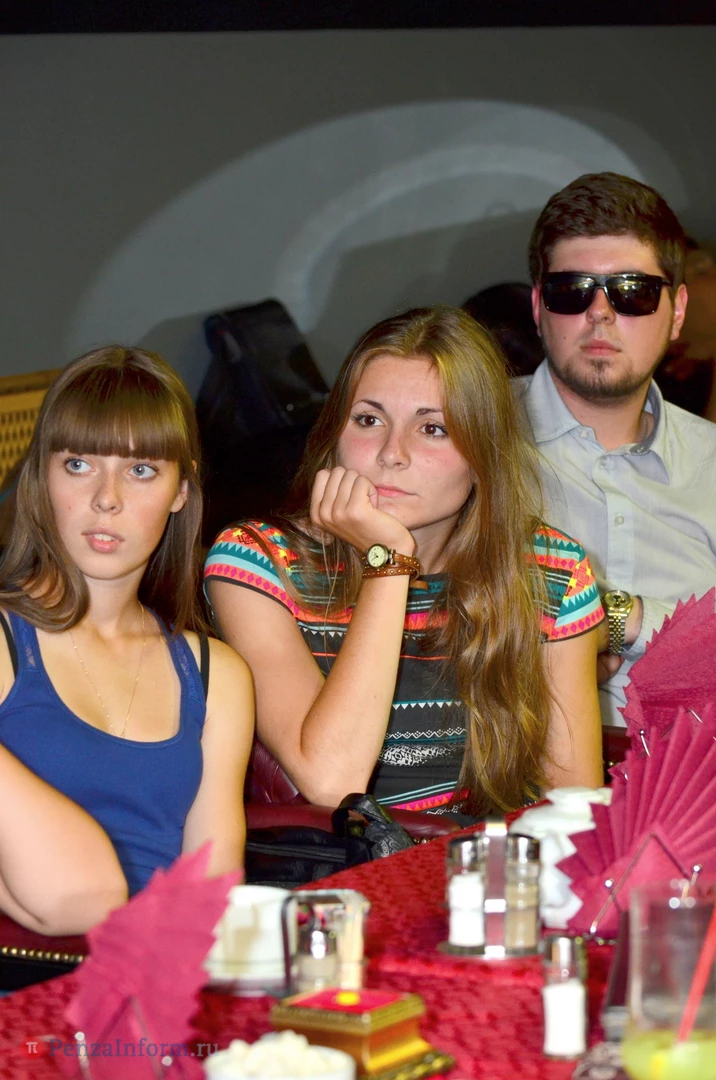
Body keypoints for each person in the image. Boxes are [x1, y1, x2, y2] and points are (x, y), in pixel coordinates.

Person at [205, 307, 604, 820]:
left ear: (483, 455)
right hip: (342, 867)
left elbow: (574, 806)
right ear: (334, 435)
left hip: (496, 862)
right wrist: (388, 565)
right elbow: (333, 781)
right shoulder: (258, 562)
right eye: (368, 420)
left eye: (433, 428)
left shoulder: (553, 568)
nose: (391, 453)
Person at [0, 347, 254, 924]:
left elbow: (211, 903)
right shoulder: (5, 642)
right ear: (42, 476)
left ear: (181, 491)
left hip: (162, 969)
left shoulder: (216, 675)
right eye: (78, 464)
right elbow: (78, 896)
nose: (106, 498)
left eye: (141, 470)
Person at [515, 172, 716, 726]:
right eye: (571, 290)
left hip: (694, 766)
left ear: (677, 311)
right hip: (504, 762)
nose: (600, 312)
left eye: (633, 292)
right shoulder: (461, 434)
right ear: (538, 307)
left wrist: (618, 617)